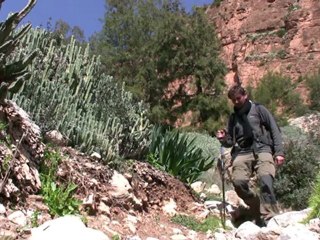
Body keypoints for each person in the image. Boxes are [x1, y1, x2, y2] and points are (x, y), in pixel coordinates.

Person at [216, 84, 285, 226]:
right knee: (238, 183)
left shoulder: (259, 109)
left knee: (266, 181)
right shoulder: (233, 117)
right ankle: (255, 206)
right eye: (233, 100)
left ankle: (270, 217)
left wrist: (279, 152)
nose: (236, 101)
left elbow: (274, 129)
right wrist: (223, 138)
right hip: (242, 152)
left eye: (238, 98)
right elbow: (230, 142)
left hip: (262, 149)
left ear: (245, 95)